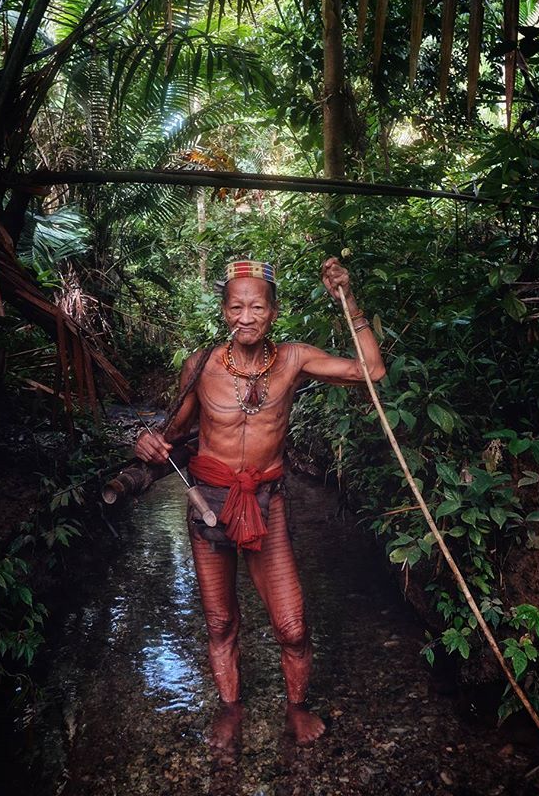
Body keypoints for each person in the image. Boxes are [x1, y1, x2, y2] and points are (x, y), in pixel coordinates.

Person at [134, 257, 386, 749]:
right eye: (235, 306)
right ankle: (231, 708)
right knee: (221, 621)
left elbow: (371, 371)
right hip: (208, 502)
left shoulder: (293, 360)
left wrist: (346, 298)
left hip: (266, 501)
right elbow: (170, 435)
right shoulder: (201, 365)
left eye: (256, 307)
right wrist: (146, 444)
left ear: (273, 312)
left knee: (292, 626)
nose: (245, 316)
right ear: (224, 311)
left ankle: (296, 708)